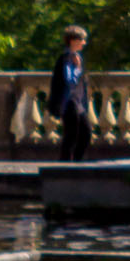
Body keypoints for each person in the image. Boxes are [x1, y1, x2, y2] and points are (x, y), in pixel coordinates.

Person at [47, 24, 93, 162]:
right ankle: (66, 165)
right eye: (81, 40)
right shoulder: (67, 58)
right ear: (73, 41)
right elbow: (69, 80)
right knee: (71, 135)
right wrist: (78, 68)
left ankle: (75, 162)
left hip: (77, 102)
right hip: (68, 102)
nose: (84, 43)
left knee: (85, 132)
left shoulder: (76, 57)